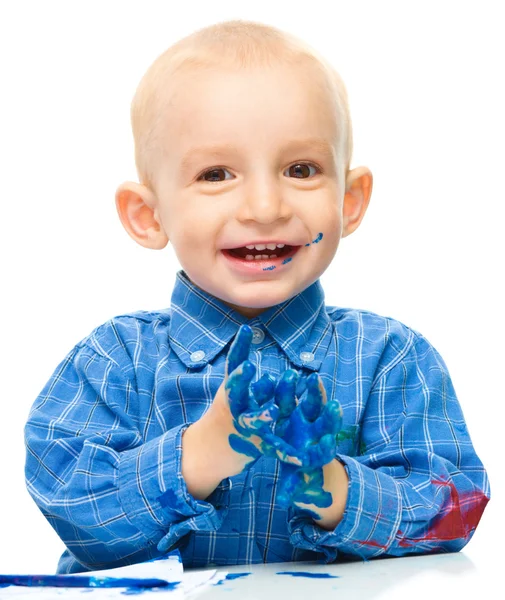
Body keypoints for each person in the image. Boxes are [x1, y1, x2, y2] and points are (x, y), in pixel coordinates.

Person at [24, 19, 490, 574]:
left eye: (301, 169)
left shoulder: (391, 357)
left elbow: (454, 511)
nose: (265, 206)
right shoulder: (113, 361)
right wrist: (195, 458)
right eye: (216, 174)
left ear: (350, 200)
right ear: (148, 216)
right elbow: (68, 502)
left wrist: (332, 485)